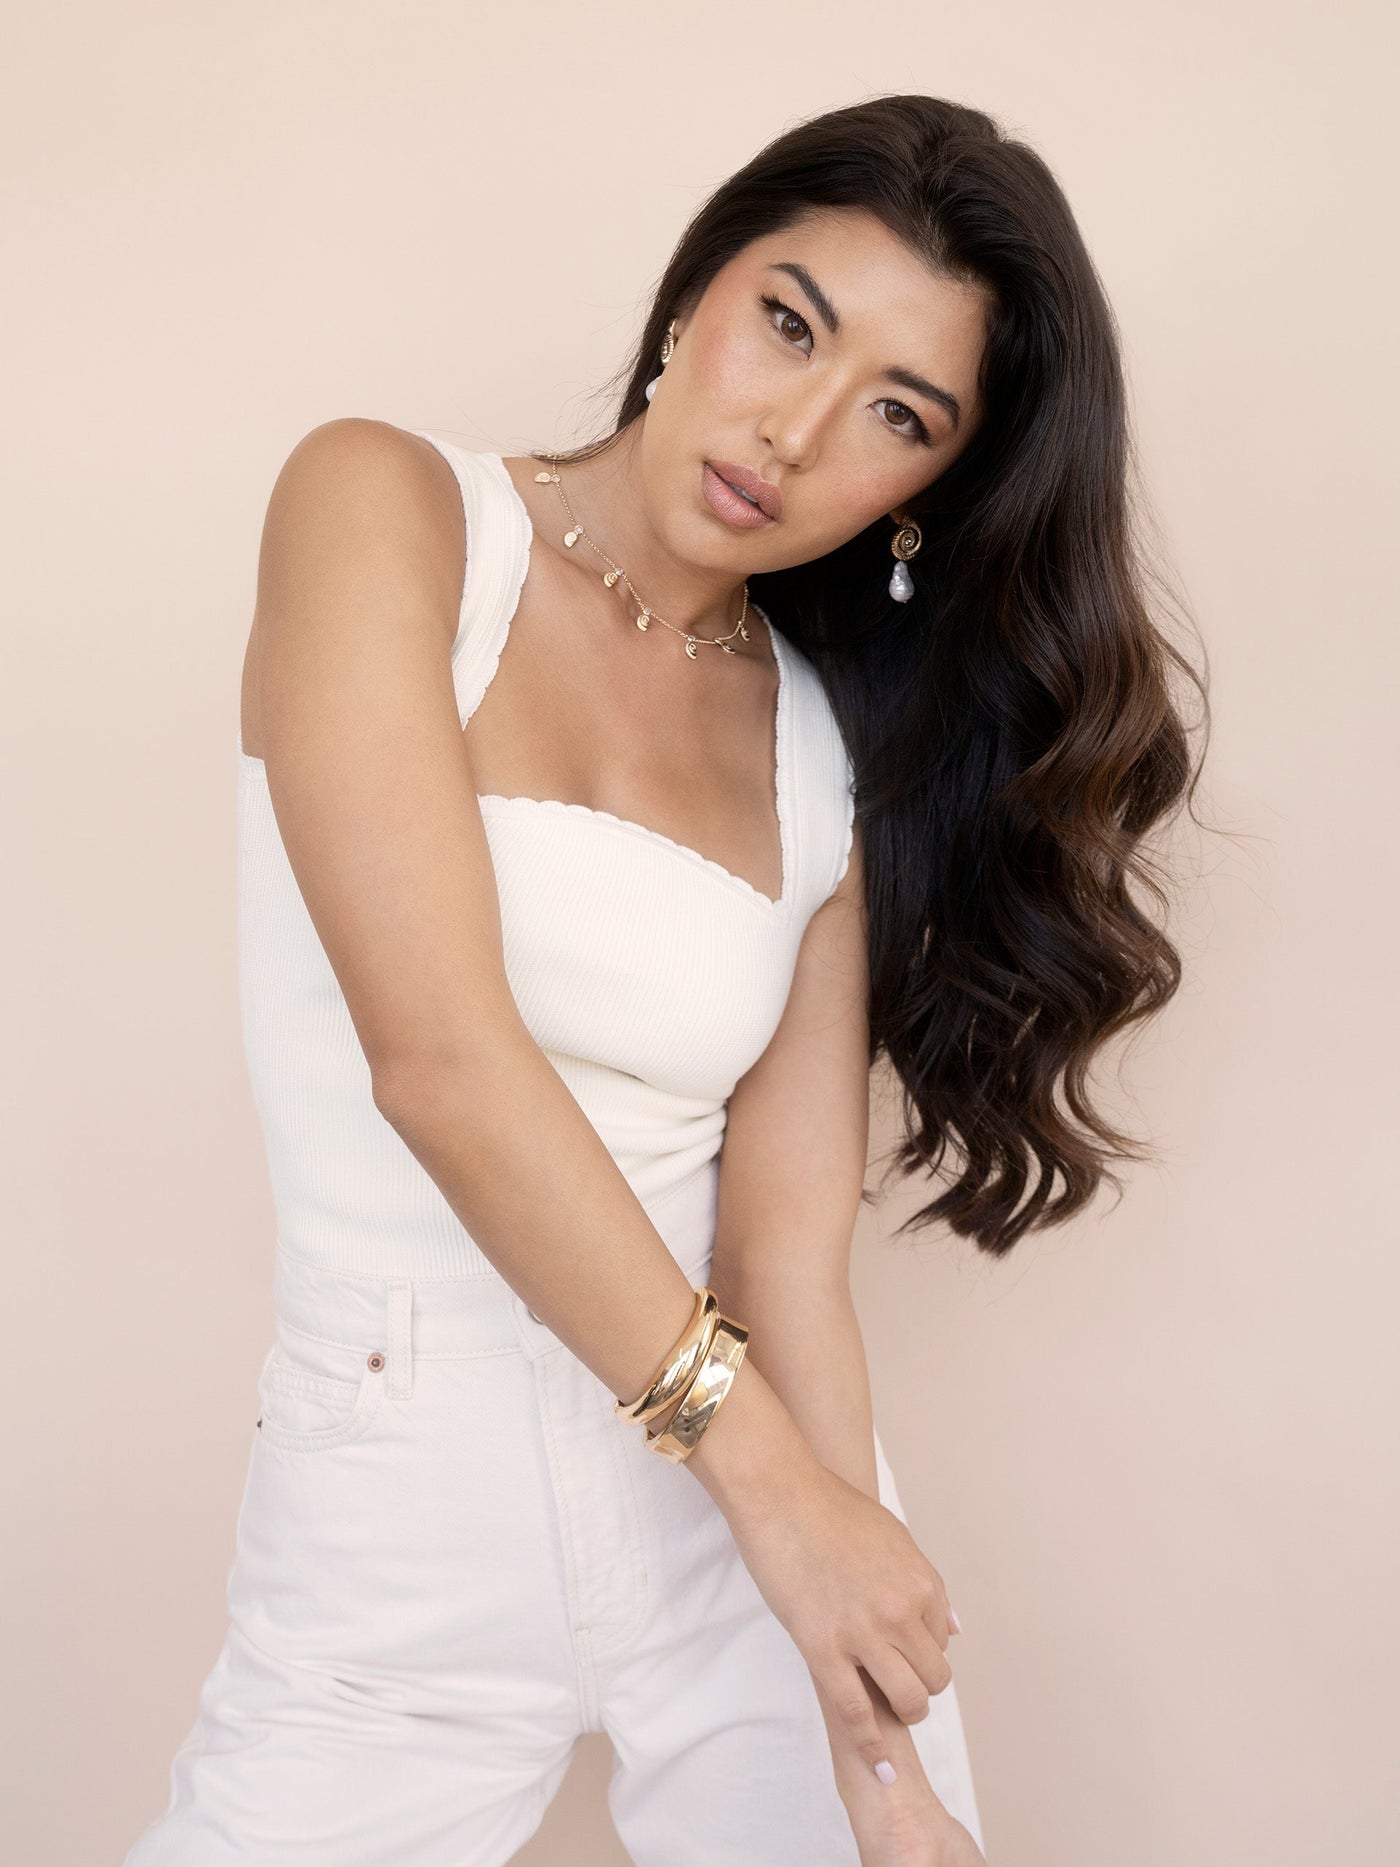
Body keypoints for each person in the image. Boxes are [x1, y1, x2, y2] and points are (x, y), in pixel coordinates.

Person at [125, 93, 1203, 1867]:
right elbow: (443, 1065)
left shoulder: (812, 747)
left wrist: (876, 1762)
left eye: (896, 414)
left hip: (743, 1506)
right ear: (697, 288)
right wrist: (780, 1505)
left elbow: (787, 1261)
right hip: (417, 1480)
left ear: (929, 491)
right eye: (790, 320)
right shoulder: (388, 510)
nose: (793, 429)